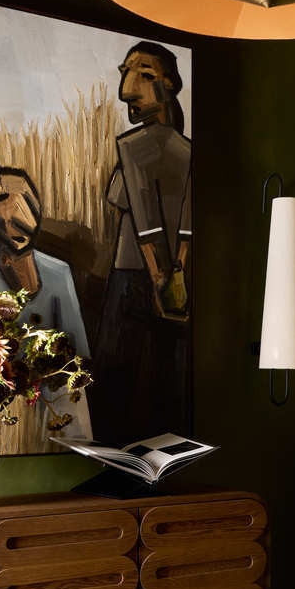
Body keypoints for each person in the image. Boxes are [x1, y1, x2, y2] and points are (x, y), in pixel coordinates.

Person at [89, 41, 192, 444]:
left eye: (145, 75)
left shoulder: (136, 146)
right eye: (127, 73)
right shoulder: (188, 151)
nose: (129, 89)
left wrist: (160, 279)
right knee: (167, 387)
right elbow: (187, 229)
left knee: (115, 385)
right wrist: (177, 279)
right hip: (173, 282)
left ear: (170, 84)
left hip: (134, 278)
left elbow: (146, 227)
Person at [0, 167, 93, 450]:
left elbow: (78, 349)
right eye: (2, 200)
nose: (17, 217)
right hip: (4, 403)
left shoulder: (58, 272)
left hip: (59, 396)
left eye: (26, 203)